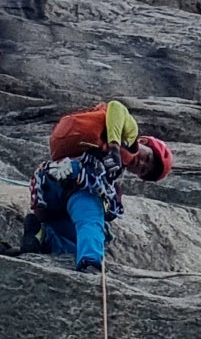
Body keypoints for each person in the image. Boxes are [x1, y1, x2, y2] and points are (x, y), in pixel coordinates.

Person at [23, 100, 173, 272]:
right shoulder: (130, 135)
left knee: (73, 239)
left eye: (144, 170)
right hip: (80, 179)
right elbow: (116, 106)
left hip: (50, 184)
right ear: (144, 142)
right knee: (92, 219)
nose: (141, 163)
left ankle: (41, 237)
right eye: (148, 157)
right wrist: (115, 146)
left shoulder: (113, 171)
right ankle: (90, 263)